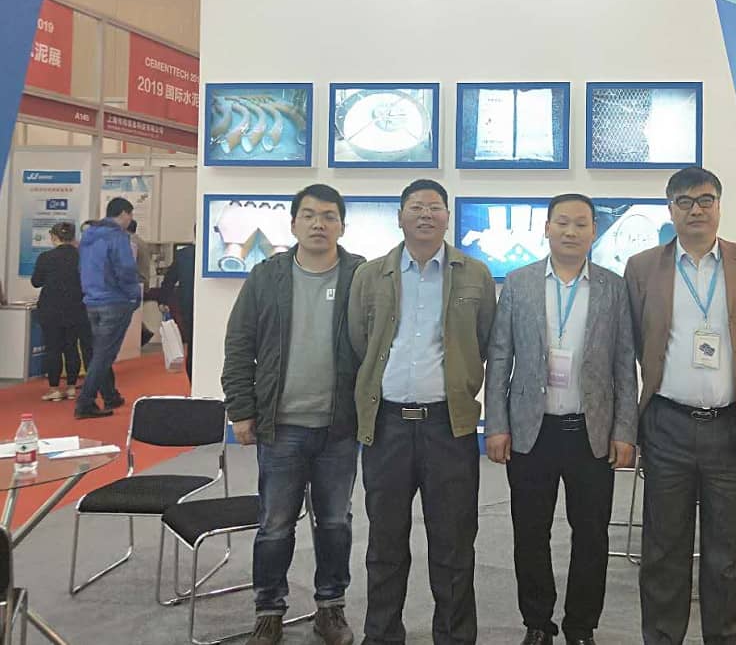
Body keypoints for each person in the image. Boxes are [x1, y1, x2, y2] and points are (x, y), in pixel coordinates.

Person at [623, 167, 736, 645]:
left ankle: (722, 635)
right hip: (667, 422)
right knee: (664, 546)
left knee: (725, 549)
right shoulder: (643, 267)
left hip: (729, 426)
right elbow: (632, 345)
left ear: (719, 206)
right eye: (684, 201)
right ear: (670, 209)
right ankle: (662, 637)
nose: (696, 210)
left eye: (705, 199)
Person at [484, 193, 639, 645]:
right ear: (547, 228)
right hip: (532, 432)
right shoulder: (519, 283)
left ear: (594, 231)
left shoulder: (612, 287)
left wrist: (624, 430)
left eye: (581, 224)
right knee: (530, 532)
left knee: (591, 535)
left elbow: (624, 362)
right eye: (563, 222)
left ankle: (581, 626)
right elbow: (500, 357)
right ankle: (537, 622)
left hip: (591, 432)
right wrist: (496, 424)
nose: (571, 231)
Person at [349, 179, 497, 645]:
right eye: (416, 207)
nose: (426, 214)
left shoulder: (475, 274)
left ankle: (454, 636)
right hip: (387, 426)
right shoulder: (370, 275)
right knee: (385, 542)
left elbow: (485, 342)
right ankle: (382, 635)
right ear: (400, 217)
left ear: (447, 217)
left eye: (435, 207)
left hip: (448, 427)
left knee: (453, 543)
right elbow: (359, 342)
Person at [221, 184, 363, 645]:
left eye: (329, 216)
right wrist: (241, 409)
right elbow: (239, 344)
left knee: (335, 523)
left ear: (342, 225)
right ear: (294, 223)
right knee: (275, 525)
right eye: (309, 215)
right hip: (280, 426)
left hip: (339, 427)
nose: (319, 224)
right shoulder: (267, 277)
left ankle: (330, 608)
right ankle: (269, 610)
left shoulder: (360, 276)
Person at [75, 197, 138, 419]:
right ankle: (85, 402)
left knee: (101, 352)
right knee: (104, 355)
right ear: (124, 213)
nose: (131, 219)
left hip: (92, 299)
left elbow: (82, 267)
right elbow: (126, 269)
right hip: (114, 300)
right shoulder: (117, 237)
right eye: (130, 214)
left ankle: (110, 395)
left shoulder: (88, 236)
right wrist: (133, 295)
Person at [31, 222, 87, 401]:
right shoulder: (82, 257)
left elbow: (36, 282)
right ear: (73, 237)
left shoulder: (46, 257)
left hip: (51, 309)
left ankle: (54, 388)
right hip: (76, 308)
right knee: (72, 347)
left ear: (54, 237)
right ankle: (71, 387)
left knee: (53, 348)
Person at [161, 238, 196, 382]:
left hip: (188, 305)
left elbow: (169, 280)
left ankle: (193, 382)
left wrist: (162, 300)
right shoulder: (215, 254)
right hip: (212, 308)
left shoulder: (183, 255)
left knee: (192, 346)